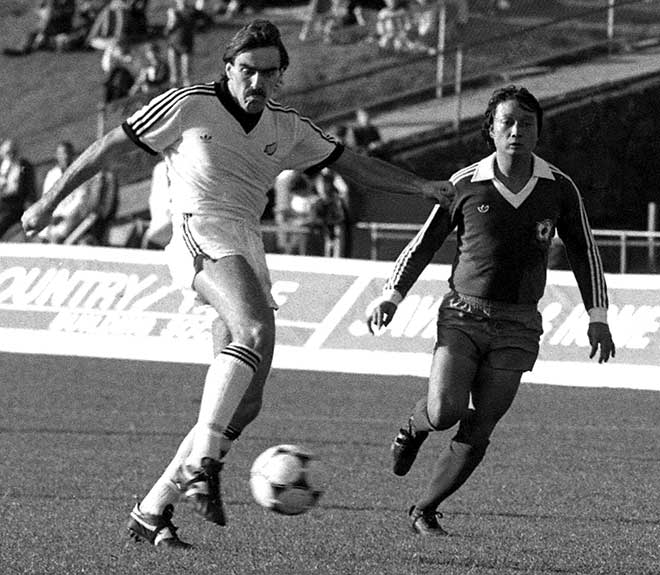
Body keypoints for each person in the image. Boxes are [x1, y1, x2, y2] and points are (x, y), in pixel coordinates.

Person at [22, 19, 455, 549]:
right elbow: (110, 148)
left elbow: (356, 165)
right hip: (197, 229)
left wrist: (422, 187)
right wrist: (48, 202)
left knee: (244, 404)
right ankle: (204, 465)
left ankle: (153, 508)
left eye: (268, 74)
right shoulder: (189, 104)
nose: (256, 82)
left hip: (246, 243)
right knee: (249, 331)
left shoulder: (287, 126)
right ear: (228, 69)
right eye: (247, 71)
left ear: (280, 78)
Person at [366, 85, 615, 537]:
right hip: (463, 314)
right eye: (508, 123)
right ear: (491, 131)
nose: (518, 131)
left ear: (539, 132)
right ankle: (413, 427)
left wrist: (597, 317)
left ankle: (424, 509)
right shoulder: (465, 183)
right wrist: (392, 294)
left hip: (519, 324)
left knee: (480, 427)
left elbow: (585, 252)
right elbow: (422, 245)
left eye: (527, 123)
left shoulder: (558, 187)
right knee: (445, 412)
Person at [39, 141, 103, 244]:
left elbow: (80, 200)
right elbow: (46, 198)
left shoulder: (79, 174)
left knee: (57, 238)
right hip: (52, 218)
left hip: (72, 218)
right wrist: (52, 216)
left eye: (67, 153)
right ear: (57, 156)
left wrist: (62, 216)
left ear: (72, 155)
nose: (64, 157)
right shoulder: (52, 175)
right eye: (61, 154)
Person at [0, 140, 37, 240]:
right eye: (8, 152)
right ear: (2, 153)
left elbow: (30, 190)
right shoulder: (2, 166)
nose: (11, 155)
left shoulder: (23, 166)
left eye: (13, 152)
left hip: (15, 205)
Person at [165, 0, 197, 87]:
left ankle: (188, 93)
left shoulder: (192, 11)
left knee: (186, 74)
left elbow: (195, 25)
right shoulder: (173, 11)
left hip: (186, 44)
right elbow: (167, 31)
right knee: (174, 74)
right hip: (173, 44)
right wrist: (171, 20)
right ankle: (174, 93)